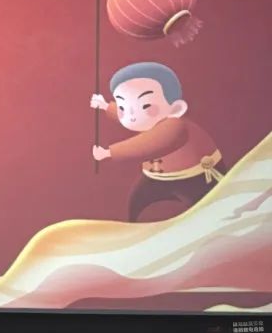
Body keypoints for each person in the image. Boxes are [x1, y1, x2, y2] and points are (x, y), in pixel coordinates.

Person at [90, 61, 226, 221]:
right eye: (122, 107)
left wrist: (109, 152)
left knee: (203, 215)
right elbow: (131, 116)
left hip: (195, 178)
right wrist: (106, 106)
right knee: (136, 204)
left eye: (145, 105)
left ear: (176, 108)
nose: (131, 115)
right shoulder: (148, 120)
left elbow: (148, 144)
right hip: (156, 177)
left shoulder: (174, 126)